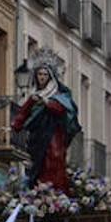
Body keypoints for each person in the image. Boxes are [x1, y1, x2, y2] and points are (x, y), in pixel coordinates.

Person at [11, 55, 80, 195]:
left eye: (45, 74)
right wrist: (14, 126)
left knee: (53, 159)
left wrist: (46, 103)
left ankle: (54, 190)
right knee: (38, 164)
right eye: (39, 74)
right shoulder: (34, 95)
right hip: (37, 136)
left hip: (53, 133)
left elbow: (62, 108)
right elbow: (23, 112)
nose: (42, 77)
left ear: (50, 76)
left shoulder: (58, 94)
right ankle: (40, 188)